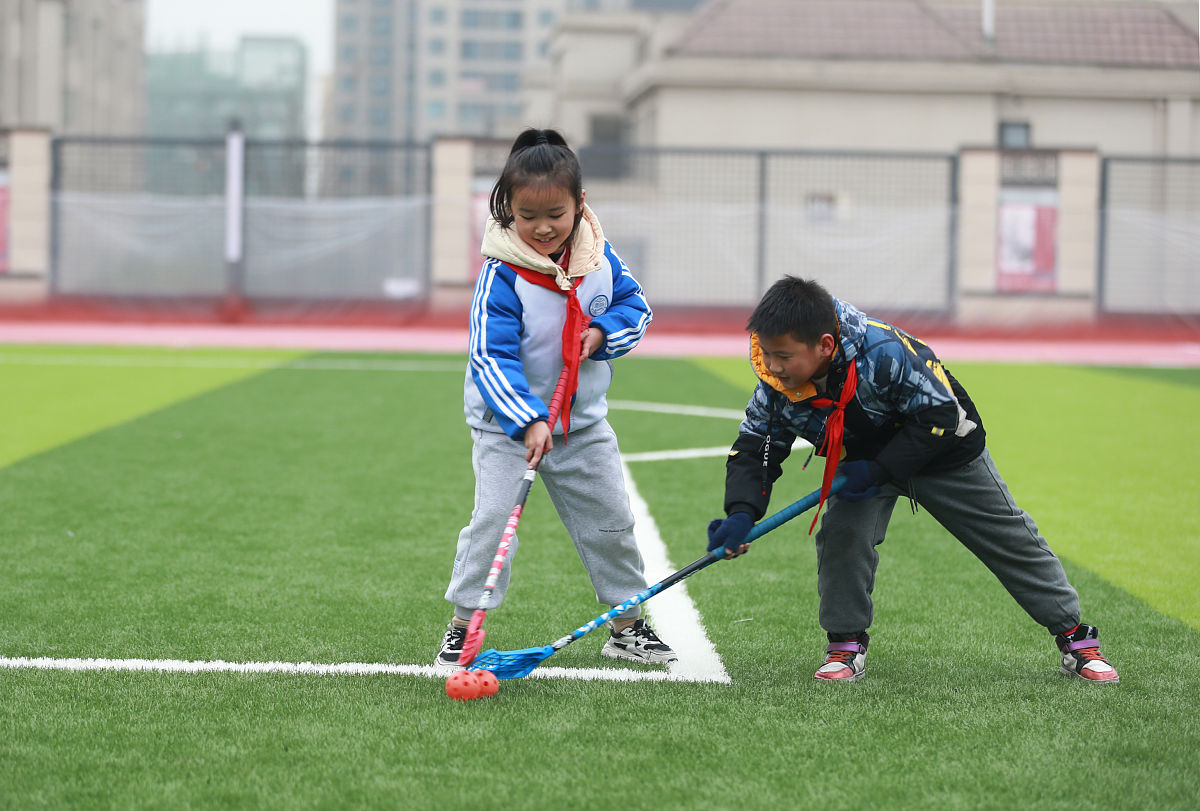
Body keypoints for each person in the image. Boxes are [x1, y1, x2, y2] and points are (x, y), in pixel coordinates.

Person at [705, 276, 1119, 684]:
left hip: (942, 449)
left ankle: (1074, 636)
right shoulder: (775, 382)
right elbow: (756, 445)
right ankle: (845, 644)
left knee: (1009, 537)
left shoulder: (885, 351)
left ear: (825, 346)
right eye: (767, 352)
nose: (772, 367)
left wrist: (881, 470)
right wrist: (741, 513)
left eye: (783, 356)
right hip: (862, 462)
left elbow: (940, 415)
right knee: (842, 535)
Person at [436, 128, 676, 669]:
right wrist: (526, 421)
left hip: (582, 426)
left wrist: (603, 334)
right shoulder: (500, 273)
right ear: (507, 212)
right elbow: (490, 357)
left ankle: (628, 626)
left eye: (556, 213)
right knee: (494, 521)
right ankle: (462, 628)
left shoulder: (600, 258)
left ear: (579, 205)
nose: (542, 227)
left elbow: (636, 310)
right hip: (507, 429)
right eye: (527, 215)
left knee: (611, 521)